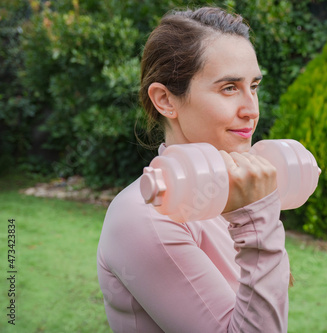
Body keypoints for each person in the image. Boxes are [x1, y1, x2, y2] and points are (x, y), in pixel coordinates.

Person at [96, 7, 290, 333]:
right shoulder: (146, 216)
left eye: (253, 86)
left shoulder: (227, 195)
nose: (251, 110)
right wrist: (260, 223)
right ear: (165, 100)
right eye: (229, 88)